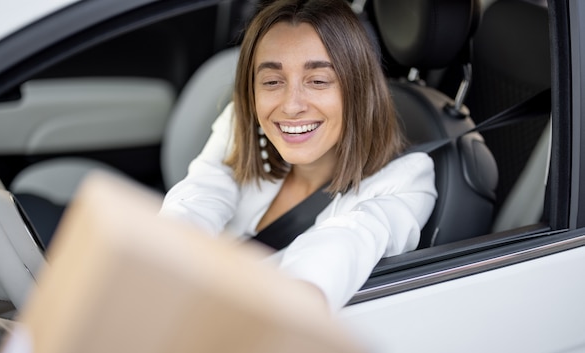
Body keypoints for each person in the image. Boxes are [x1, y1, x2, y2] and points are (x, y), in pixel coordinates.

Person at [159, 0, 437, 311]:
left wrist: (297, 303)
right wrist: (156, 261)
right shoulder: (243, 119)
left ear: (358, 89)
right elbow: (202, 191)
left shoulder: (407, 178)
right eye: (272, 82)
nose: (291, 106)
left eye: (318, 81)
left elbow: (348, 241)